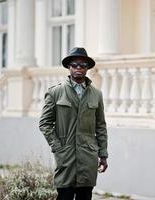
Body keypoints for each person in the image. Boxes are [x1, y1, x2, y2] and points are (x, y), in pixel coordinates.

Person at [39, 47, 108, 200]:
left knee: (85, 197)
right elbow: (44, 123)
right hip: (66, 157)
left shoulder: (96, 95)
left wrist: (103, 154)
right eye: (75, 65)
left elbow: (101, 126)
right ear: (69, 67)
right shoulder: (55, 92)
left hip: (88, 158)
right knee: (64, 196)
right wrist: (57, 147)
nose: (78, 68)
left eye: (82, 65)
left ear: (87, 68)